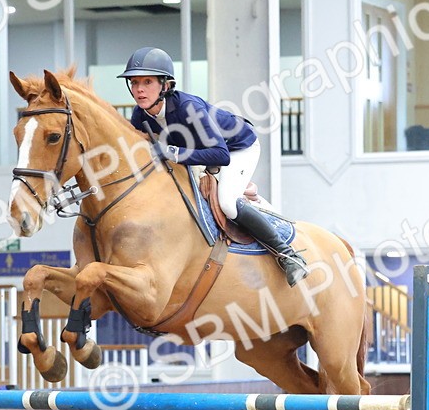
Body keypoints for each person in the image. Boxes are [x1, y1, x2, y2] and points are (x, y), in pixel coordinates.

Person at [119, 46, 308, 287]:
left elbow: (220, 155)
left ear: (165, 85)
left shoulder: (188, 108)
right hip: (201, 155)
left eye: (147, 82)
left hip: (237, 148)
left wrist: (173, 152)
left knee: (227, 203)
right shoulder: (140, 115)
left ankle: (288, 256)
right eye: (134, 83)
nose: (139, 89)